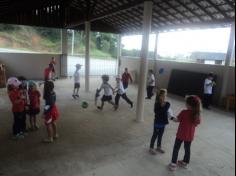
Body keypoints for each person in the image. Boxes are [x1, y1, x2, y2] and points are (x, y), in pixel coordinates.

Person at [168, 95, 201, 172]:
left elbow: (177, 120)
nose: (185, 104)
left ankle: (173, 164)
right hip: (189, 136)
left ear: (189, 105)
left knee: (176, 148)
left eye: (186, 103)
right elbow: (197, 123)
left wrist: (171, 117)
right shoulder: (197, 114)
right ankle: (185, 163)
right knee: (187, 149)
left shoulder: (184, 112)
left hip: (180, 134)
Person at [149, 89, 174, 155]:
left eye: (165, 95)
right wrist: (162, 106)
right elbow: (157, 112)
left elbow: (166, 111)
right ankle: (151, 147)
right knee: (155, 135)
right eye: (162, 95)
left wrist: (163, 107)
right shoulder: (157, 104)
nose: (164, 97)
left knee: (160, 135)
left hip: (163, 122)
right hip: (157, 122)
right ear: (159, 96)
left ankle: (158, 147)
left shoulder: (167, 104)